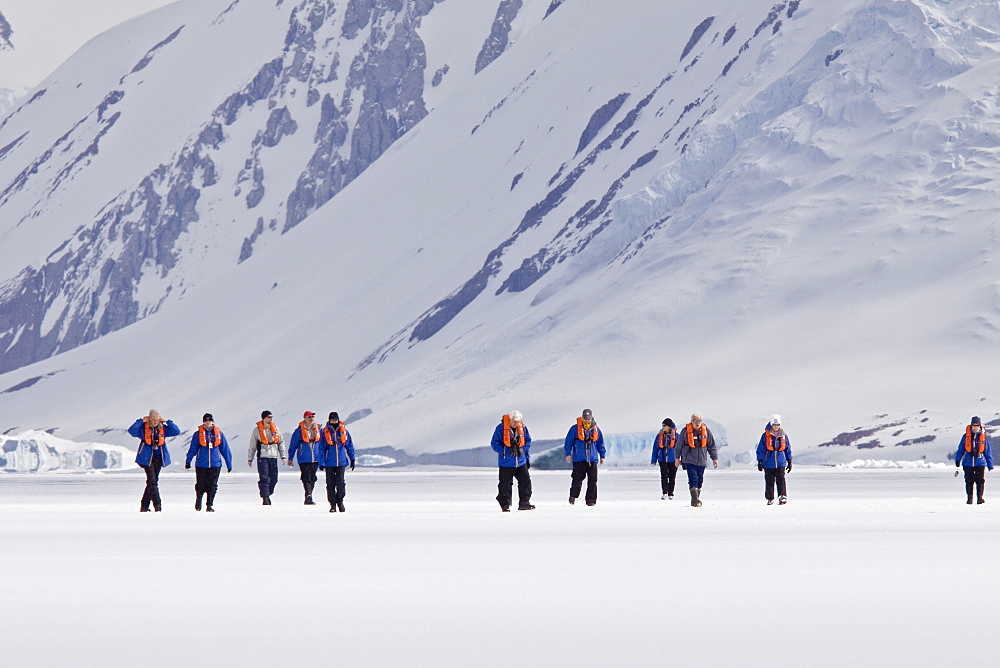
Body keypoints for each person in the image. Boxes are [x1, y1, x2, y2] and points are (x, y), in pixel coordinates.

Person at [128, 409, 181, 512]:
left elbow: (176, 431)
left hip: (158, 458)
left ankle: (144, 506)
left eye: (157, 420)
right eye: (153, 420)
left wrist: (167, 421)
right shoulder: (143, 428)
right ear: (149, 419)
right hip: (147, 459)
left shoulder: (163, 429)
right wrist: (141, 421)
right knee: (152, 482)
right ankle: (158, 505)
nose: (156, 422)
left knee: (152, 482)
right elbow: (131, 431)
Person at [184, 413, 233, 512]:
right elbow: (193, 448)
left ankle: (209, 505)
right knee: (200, 484)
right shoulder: (197, 434)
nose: (208, 422)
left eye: (210, 420)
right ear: (203, 422)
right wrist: (188, 460)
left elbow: (225, 449)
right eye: (206, 420)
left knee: (212, 485)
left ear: (212, 421)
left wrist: (229, 464)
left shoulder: (219, 434)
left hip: (215, 464)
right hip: (201, 464)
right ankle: (199, 499)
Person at [490, 410, 534, 512]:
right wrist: (506, 451)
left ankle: (524, 503)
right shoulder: (500, 428)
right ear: (510, 420)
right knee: (505, 483)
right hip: (506, 462)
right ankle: (505, 504)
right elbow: (494, 443)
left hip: (521, 460)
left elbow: (528, 441)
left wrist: (524, 451)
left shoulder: (523, 428)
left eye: (518, 421)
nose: (516, 423)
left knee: (525, 481)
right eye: (514, 421)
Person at [564, 408, 606, 506]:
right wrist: (568, 454)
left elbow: (601, 444)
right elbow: (568, 442)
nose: (587, 420)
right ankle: (573, 495)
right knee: (577, 479)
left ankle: (591, 501)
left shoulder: (596, 429)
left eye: (589, 419)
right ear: (582, 418)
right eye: (585, 418)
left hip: (592, 459)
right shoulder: (574, 429)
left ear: (591, 418)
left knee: (593, 480)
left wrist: (602, 455)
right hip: (579, 459)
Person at [675, 413, 718, 507]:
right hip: (689, 459)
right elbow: (679, 446)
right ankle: (695, 500)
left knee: (700, 480)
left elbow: (711, 446)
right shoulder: (685, 431)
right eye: (695, 420)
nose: (697, 423)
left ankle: (696, 499)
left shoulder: (706, 431)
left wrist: (714, 458)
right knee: (693, 478)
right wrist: (677, 458)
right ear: (691, 421)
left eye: (699, 421)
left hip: (702, 460)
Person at [247, 410, 286, 505]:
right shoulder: (256, 431)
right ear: (263, 418)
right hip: (262, 457)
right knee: (264, 478)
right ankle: (265, 497)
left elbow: (281, 442)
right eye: (268, 417)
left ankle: (268, 493)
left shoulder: (276, 429)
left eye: (271, 417)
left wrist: (283, 456)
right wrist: (250, 458)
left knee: (274, 479)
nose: (270, 419)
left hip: (273, 457)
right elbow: (252, 445)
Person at [319, 412, 355, 513]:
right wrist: (321, 462)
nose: (334, 422)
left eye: (335, 420)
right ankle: (332, 504)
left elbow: (349, 446)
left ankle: (340, 501)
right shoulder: (324, 432)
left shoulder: (344, 432)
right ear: (329, 420)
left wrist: (352, 459)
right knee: (330, 484)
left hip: (341, 462)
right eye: (332, 420)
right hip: (329, 462)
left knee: (340, 483)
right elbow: (321, 449)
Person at [955, 416, 993, 504]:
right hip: (968, 463)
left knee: (980, 480)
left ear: (980, 426)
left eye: (977, 425)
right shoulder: (965, 437)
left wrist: (990, 464)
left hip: (980, 462)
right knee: (969, 481)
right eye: (974, 425)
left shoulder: (983, 437)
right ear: (971, 425)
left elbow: (987, 451)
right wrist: (958, 461)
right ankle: (970, 498)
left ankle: (980, 498)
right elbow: (960, 449)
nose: (975, 427)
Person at [756, 414, 792, 505]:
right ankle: (770, 498)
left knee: (781, 480)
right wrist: (760, 461)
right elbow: (761, 449)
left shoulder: (783, 435)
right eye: (774, 425)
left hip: (780, 462)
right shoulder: (765, 436)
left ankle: (782, 496)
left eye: (778, 425)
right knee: (769, 481)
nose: (776, 427)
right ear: (771, 425)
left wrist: (789, 460)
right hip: (769, 462)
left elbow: (787, 448)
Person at [288, 411, 323, 505]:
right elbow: (293, 445)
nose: (311, 418)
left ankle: (309, 494)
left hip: (315, 457)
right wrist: (290, 458)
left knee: (313, 477)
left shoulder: (319, 429)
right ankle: (308, 495)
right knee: (306, 477)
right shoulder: (298, 431)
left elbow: (323, 444)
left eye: (312, 416)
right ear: (305, 418)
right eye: (309, 417)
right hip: (304, 458)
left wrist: (323, 458)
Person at [650, 418, 678, 500]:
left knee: (672, 476)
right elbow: (655, 448)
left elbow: (680, 448)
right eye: (662, 425)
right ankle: (664, 492)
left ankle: (671, 493)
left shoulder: (677, 436)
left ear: (669, 426)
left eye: (664, 425)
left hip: (673, 459)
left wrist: (681, 460)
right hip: (662, 459)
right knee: (664, 476)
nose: (663, 427)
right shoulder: (659, 436)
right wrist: (654, 460)